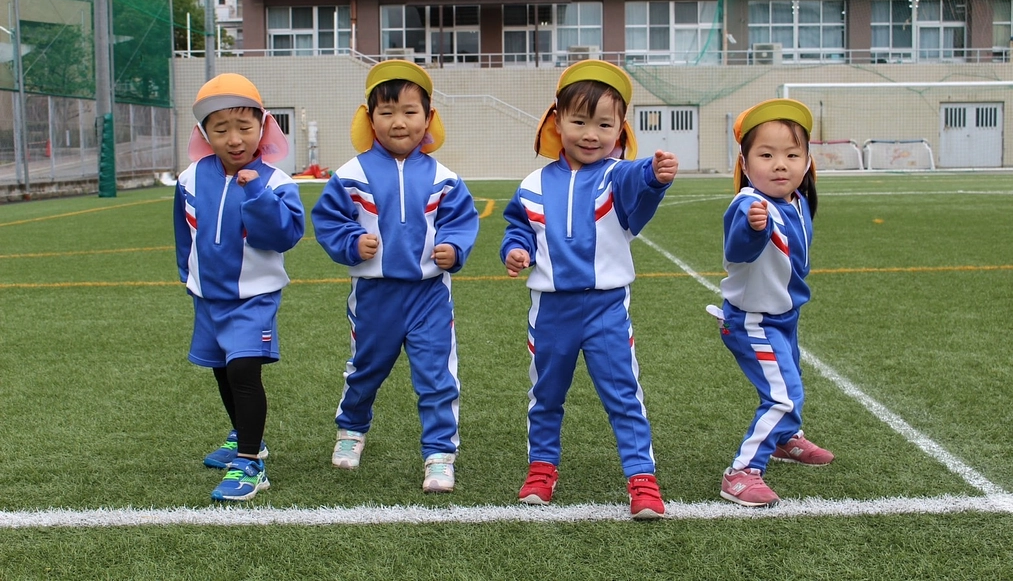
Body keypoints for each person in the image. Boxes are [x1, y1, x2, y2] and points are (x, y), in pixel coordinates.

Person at [500, 60, 678, 520]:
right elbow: (517, 227)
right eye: (579, 121)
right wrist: (514, 251)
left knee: (623, 392)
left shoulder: (615, 175)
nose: (591, 134)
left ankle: (641, 477)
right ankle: (542, 467)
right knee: (546, 394)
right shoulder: (532, 184)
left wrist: (655, 174)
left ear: (620, 129)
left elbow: (637, 180)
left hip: (606, 309)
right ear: (556, 121)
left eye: (604, 124)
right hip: (551, 310)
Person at [311, 60, 479, 493]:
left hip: (429, 296)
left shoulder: (445, 178)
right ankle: (351, 430)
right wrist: (352, 242)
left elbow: (460, 221)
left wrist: (454, 248)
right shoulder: (351, 174)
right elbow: (329, 220)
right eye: (386, 113)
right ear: (369, 119)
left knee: (437, 375)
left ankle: (439, 454)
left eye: (409, 111)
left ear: (428, 119)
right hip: (373, 295)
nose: (398, 122)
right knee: (365, 368)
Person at [173, 73, 306, 502]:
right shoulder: (190, 178)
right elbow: (184, 233)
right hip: (207, 297)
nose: (234, 139)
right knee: (220, 369)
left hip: (254, 298)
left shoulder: (277, 182)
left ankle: (251, 462)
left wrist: (258, 196)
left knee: (243, 370)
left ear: (263, 128)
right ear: (204, 133)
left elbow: (285, 236)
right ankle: (246, 436)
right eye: (221, 128)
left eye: (244, 128)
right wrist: (188, 276)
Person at [707, 98, 834, 509]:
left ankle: (783, 439)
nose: (781, 164)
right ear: (744, 163)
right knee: (782, 395)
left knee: (792, 381)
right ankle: (742, 472)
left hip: (784, 316)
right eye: (766, 155)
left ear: (807, 160)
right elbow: (738, 249)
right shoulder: (749, 206)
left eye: (792, 154)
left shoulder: (795, 201)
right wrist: (753, 230)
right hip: (753, 320)